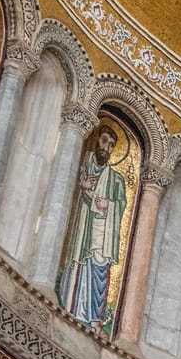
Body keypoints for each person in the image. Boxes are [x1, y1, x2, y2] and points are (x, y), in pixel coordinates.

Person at [57, 124, 129, 330]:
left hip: (101, 237)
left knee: (98, 270)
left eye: (112, 145)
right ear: (96, 139)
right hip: (81, 230)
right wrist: (82, 185)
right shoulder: (82, 163)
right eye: (104, 141)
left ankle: (93, 318)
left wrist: (109, 205)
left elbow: (121, 203)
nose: (106, 148)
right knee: (78, 265)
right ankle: (69, 305)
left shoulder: (115, 180)